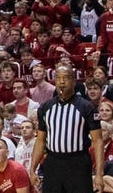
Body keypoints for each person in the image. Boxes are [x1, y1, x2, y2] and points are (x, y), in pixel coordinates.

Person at [29, 65, 103, 193]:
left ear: (74, 81)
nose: (62, 82)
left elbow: (98, 141)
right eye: (58, 78)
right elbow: (40, 140)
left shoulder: (86, 107)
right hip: (53, 162)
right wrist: (32, 168)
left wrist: (99, 174)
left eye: (66, 78)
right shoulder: (46, 108)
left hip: (78, 162)